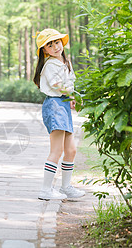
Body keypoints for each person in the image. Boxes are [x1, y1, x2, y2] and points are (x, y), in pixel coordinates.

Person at [33, 28, 85, 201]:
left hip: (62, 105)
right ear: (44, 50)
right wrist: (72, 93)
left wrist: (71, 97)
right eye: (50, 44)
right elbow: (57, 84)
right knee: (57, 150)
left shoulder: (64, 62)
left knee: (71, 150)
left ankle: (66, 187)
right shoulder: (49, 65)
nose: (55, 47)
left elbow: (69, 81)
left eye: (57, 42)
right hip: (54, 105)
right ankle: (45, 190)